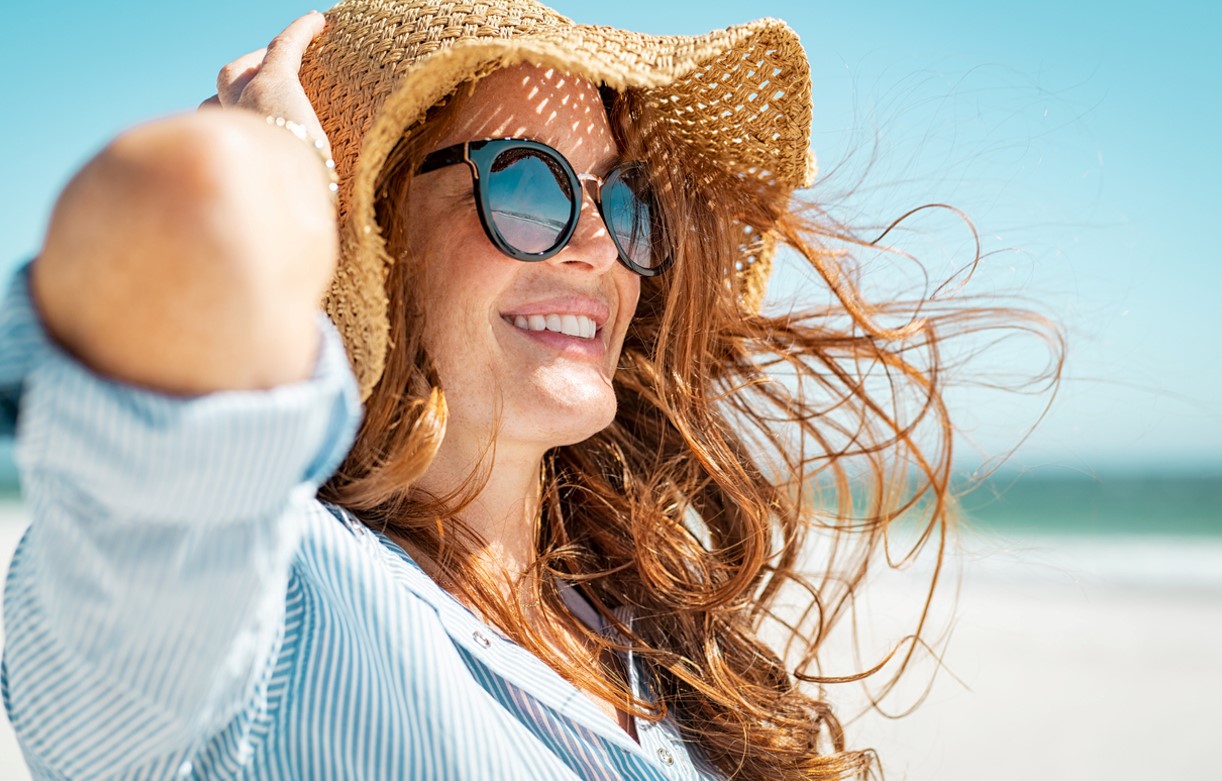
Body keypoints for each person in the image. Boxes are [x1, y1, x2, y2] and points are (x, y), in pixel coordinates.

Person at [0, 0, 1056, 778]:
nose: (598, 244)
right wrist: (274, 161)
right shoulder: (259, 602)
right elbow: (169, 210)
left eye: (621, 196)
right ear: (366, 226)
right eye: (522, 181)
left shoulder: (641, 627)